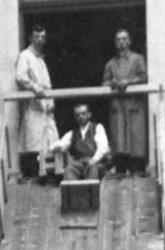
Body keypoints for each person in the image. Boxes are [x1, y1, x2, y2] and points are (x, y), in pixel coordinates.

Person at [14, 24, 58, 184]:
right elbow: (20, 77)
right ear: (30, 38)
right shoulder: (25, 56)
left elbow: (47, 85)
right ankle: (35, 177)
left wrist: (51, 101)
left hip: (46, 107)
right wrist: (34, 87)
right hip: (34, 105)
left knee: (51, 141)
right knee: (34, 142)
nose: (40, 40)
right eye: (37, 37)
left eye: (43, 37)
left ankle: (48, 176)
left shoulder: (41, 59)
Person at [102, 29, 148, 176]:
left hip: (133, 104)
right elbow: (104, 83)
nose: (121, 42)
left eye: (124, 39)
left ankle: (137, 169)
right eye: (118, 39)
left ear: (129, 41)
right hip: (118, 106)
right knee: (119, 138)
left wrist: (128, 82)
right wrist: (113, 83)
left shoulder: (138, 59)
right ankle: (121, 169)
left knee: (135, 137)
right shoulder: (110, 64)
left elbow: (144, 77)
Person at [53, 101, 111, 181]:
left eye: (83, 114)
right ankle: (72, 189)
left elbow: (103, 147)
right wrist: (57, 147)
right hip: (79, 163)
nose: (80, 117)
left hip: (95, 162)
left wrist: (94, 160)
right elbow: (62, 143)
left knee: (92, 169)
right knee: (69, 169)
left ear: (89, 114)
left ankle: (91, 189)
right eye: (78, 115)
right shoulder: (73, 133)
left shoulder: (97, 128)